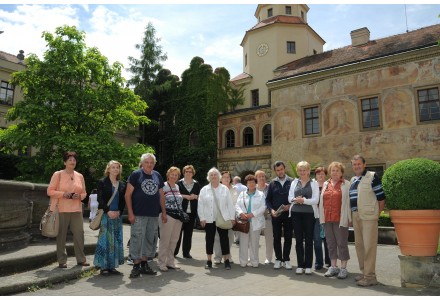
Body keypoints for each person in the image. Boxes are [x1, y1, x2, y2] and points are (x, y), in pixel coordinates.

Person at [125, 153, 166, 278]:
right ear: (142, 163)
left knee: (150, 239)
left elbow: (161, 195)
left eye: (151, 162)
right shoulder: (136, 174)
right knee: (137, 239)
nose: (149, 165)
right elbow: (127, 195)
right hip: (138, 214)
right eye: (147, 162)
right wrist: (130, 213)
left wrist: (164, 212)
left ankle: (144, 264)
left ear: (154, 164)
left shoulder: (157, 175)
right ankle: (136, 266)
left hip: (153, 215)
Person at [47, 151, 88, 268]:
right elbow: (49, 191)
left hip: (76, 209)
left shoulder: (80, 176)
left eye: (74, 160)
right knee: (61, 235)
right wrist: (63, 194)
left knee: (79, 234)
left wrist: (79, 196)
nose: (72, 162)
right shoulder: (58, 174)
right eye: (70, 160)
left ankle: (81, 259)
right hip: (61, 209)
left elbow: (84, 192)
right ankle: (61, 260)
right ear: (64, 162)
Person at [349, 154, 386, 287]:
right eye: (354, 164)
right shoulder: (353, 179)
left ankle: (370, 277)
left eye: (359, 164)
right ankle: (364, 273)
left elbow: (381, 197)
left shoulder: (372, 176)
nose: (357, 166)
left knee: (369, 246)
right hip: (356, 216)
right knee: (359, 246)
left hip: (369, 217)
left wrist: (377, 214)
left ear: (364, 164)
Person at [198, 167, 236, 270]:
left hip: (223, 218)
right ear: (209, 177)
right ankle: (209, 260)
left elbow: (230, 204)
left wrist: (232, 218)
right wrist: (202, 218)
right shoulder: (204, 189)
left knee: (224, 239)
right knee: (209, 240)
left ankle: (226, 260)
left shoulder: (224, 189)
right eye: (211, 175)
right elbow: (200, 205)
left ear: (219, 176)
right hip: (209, 219)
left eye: (215, 174)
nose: (213, 176)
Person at [319, 162, 352, 279]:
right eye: (333, 170)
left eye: (337, 170)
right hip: (327, 218)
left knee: (342, 243)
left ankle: (343, 268)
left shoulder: (347, 184)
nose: (334, 172)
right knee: (331, 243)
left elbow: (349, 202)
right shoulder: (326, 184)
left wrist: (349, 218)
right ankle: (333, 267)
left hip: (340, 219)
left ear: (341, 172)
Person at [93, 160, 127, 276]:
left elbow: (123, 201)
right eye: (113, 167)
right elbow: (100, 199)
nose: (115, 169)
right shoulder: (102, 182)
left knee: (116, 241)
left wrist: (119, 212)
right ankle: (103, 266)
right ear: (108, 169)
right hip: (106, 216)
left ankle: (112, 266)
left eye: (117, 167)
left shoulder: (122, 184)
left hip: (117, 217)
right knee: (105, 241)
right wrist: (108, 212)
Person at [288, 161, 319, 275]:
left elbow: (316, 200)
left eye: (304, 170)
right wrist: (296, 199)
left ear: (308, 170)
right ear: (297, 171)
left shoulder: (314, 183)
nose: (302, 172)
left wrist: (304, 200)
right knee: (299, 240)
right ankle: (300, 265)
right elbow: (289, 198)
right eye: (300, 170)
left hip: (309, 214)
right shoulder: (294, 182)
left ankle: (308, 266)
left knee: (309, 240)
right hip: (296, 213)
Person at [265, 161, 293, 270]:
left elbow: (296, 197)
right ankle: (278, 259)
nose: (280, 172)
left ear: (284, 169)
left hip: (288, 215)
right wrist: (271, 210)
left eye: (281, 169)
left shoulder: (292, 181)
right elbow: (268, 200)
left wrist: (290, 206)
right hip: (276, 215)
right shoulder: (272, 183)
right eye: (277, 170)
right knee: (276, 237)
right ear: (275, 171)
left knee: (288, 237)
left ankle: (286, 259)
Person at [235, 174, 266, 268]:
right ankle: (243, 261)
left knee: (254, 243)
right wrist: (241, 213)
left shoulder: (260, 194)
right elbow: (237, 205)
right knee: (243, 243)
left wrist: (253, 214)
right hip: (244, 222)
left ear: (255, 183)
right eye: (249, 182)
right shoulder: (242, 194)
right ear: (246, 184)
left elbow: (263, 207)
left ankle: (254, 261)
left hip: (255, 221)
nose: (251, 184)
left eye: (253, 182)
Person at [159, 167, 184, 272]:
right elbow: (161, 200)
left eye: (176, 175)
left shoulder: (177, 186)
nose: (174, 176)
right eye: (172, 174)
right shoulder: (163, 186)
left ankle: (170, 261)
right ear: (168, 175)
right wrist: (163, 213)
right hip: (167, 215)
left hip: (177, 217)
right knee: (165, 240)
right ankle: (161, 262)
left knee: (174, 240)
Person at [174, 165, 201, 259]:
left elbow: (200, 197)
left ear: (193, 173)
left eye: (190, 172)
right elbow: (175, 195)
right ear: (184, 172)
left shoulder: (196, 184)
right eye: (186, 172)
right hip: (180, 212)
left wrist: (196, 197)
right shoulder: (179, 183)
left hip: (192, 212)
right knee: (178, 233)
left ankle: (186, 253)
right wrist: (185, 196)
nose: (188, 173)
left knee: (188, 234)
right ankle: (174, 252)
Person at [213, 171, 239, 264]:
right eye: (224, 177)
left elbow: (236, 203)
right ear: (221, 179)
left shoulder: (234, 189)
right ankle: (218, 257)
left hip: (231, 217)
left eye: (228, 177)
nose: (227, 179)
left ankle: (227, 255)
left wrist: (234, 216)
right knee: (217, 238)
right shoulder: (217, 189)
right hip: (219, 216)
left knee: (230, 237)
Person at [314, 167, 331, 270]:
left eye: (322, 174)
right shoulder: (313, 185)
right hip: (316, 217)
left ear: (325, 175)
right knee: (317, 240)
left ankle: (329, 261)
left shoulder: (328, 185)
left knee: (328, 240)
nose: (320, 175)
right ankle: (318, 262)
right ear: (315, 175)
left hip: (326, 216)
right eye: (318, 174)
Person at [255, 169, 273, 265]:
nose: (261, 178)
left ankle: (268, 258)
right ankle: (253, 256)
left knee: (269, 239)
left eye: (263, 176)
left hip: (268, 217)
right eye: (259, 176)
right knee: (254, 238)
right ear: (256, 178)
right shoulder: (253, 188)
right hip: (256, 218)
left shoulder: (270, 187)